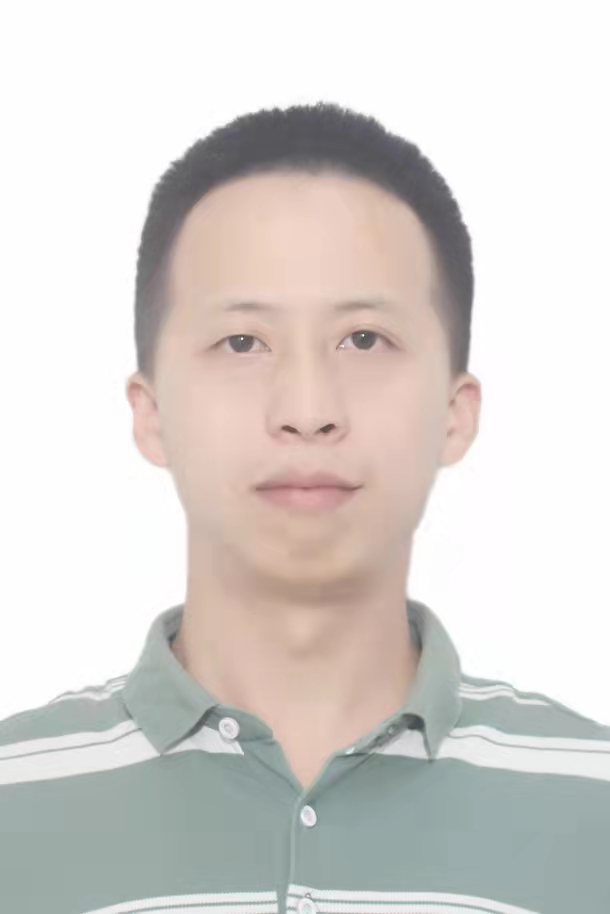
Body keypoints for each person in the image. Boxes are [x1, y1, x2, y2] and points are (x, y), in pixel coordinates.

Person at [1, 101, 609, 913]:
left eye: (364, 339)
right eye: (242, 342)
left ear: (455, 414)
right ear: (152, 415)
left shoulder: (593, 810)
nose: (308, 409)